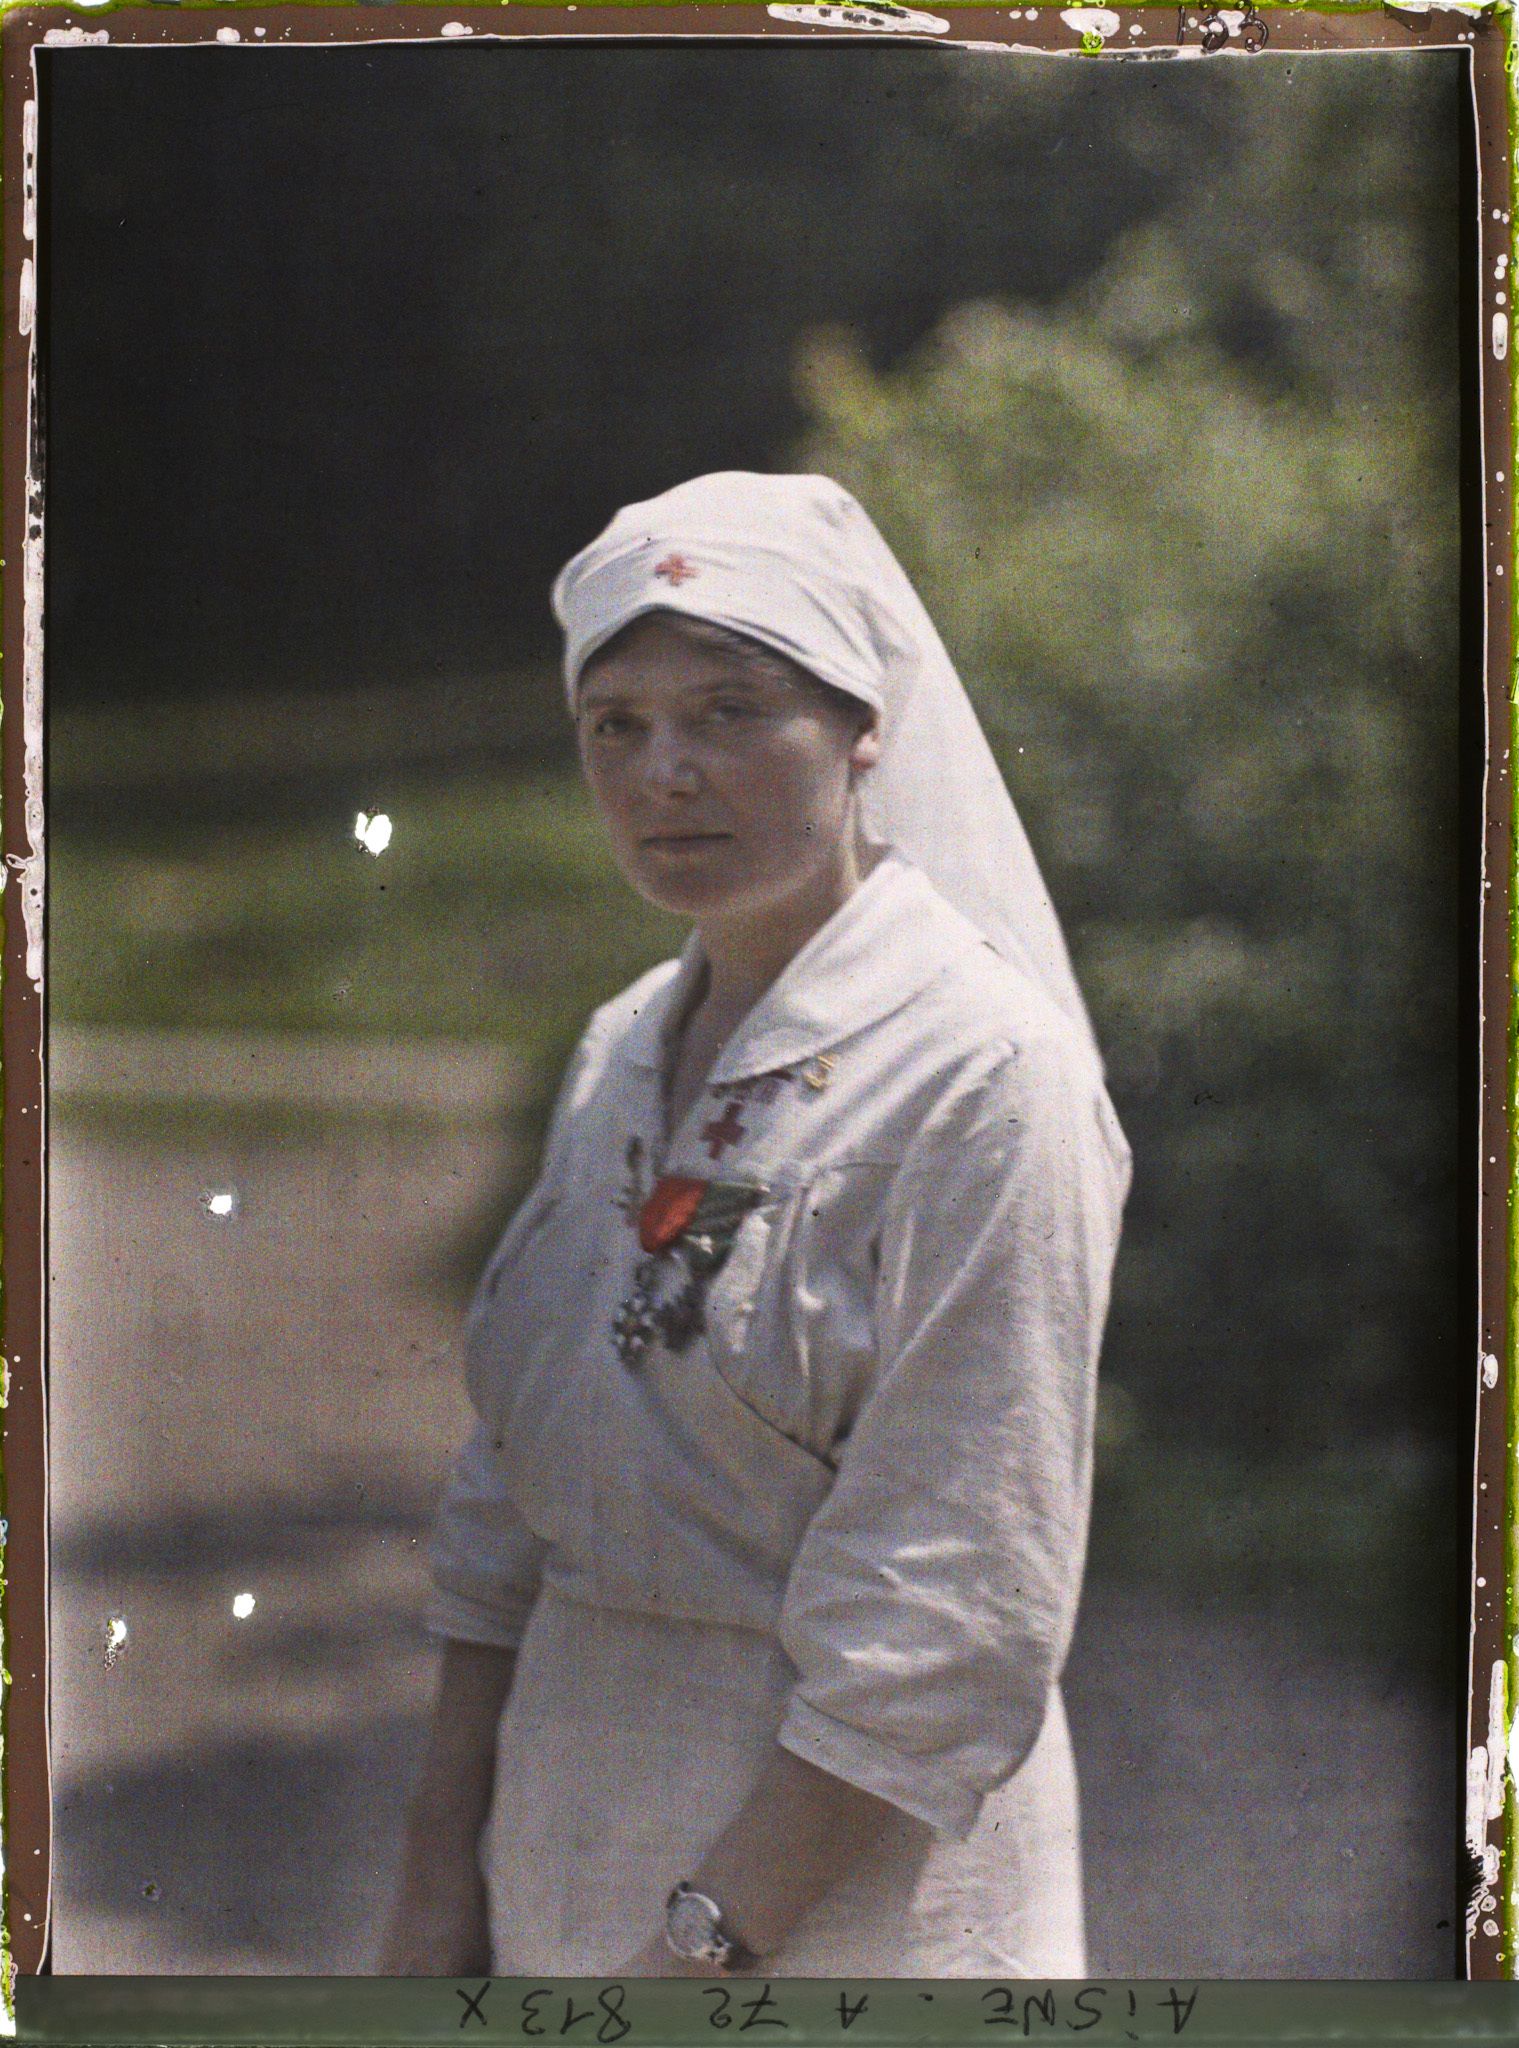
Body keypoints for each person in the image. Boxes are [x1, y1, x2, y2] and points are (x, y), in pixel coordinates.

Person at [381, 471, 1130, 1979]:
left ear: (864, 734)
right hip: (567, 1840)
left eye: (730, 711)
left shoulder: (981, 1076)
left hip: (850, 1902)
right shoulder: (615, 1056)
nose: (667, 773)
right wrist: (434, 1879)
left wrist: (699, 1956)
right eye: (621, 725)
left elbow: (954, 1610)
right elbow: (504, 1510)